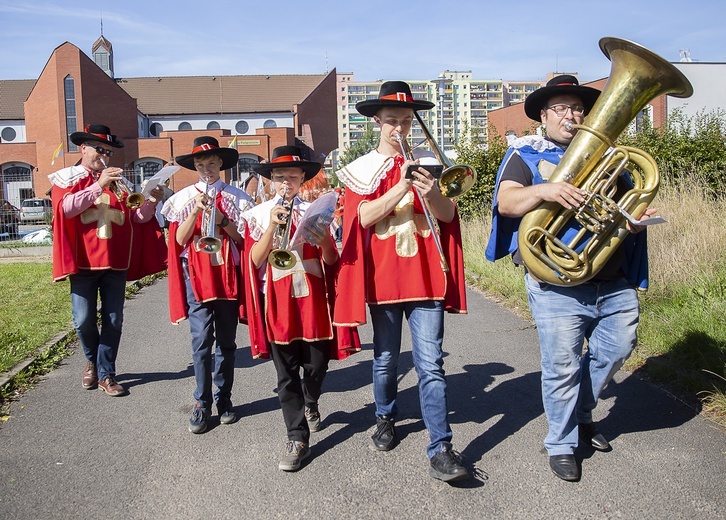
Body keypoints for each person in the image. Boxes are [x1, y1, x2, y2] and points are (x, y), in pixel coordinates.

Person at [485, 75, 657, 482]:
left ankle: (581, 415)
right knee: (562, 364)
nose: (570, 115)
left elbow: (623, 209)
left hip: (610, 277)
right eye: (560, 108)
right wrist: (547, 190)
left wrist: (633, 223)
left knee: (618, 349)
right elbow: (507, 202)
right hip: (556, 280)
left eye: (577, 108)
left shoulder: (610, 158)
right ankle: (561, 442)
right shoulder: (525, 154)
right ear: (543, 116)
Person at [334, 81, 469, 483]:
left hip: (426, 278)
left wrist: (432, 191)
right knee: (386, 359)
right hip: (384, 280)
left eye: (406, 121)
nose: (399, 128)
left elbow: (447, 216)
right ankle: (385, 417)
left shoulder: (429, 162)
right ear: (377, 121)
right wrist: (404, 185)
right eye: (392, 120)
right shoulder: (359, 171)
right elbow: (362, 217)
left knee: (431, 364)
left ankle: (441, 446)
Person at [241, 145, 360, 472]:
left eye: (292, 177)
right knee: (285, 373)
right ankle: (297, 436)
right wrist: (269, 227)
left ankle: (311, 399)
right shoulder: (258, 213)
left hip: (313, 297)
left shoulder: (317, 210)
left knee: (317, 364)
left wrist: (323, 240)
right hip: (277, 299)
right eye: (280, 178)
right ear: (271, 181)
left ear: (302, 179)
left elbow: (333, 260)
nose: (285, 183)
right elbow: (253, 261)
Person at [49, 123, 167, 397]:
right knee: (83, 320)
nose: (104, 155)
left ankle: (106, 373)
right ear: (83, 149)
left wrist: (150, 200)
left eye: (108, 152)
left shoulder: (120, 183)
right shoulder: (66, 178)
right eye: (99, 150)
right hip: (83, 261)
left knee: (113, 320)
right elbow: (65, 209)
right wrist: (97, 185)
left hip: (116, 262)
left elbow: (137, 218)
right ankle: (91, 358)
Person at [161, 136, 253, 434]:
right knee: (201, 342)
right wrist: (197, 211)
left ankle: (224, 398)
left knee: (226, 343)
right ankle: (202, 402)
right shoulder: (185, 198)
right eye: (200, 165)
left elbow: (244, 241)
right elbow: (178, 240)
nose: (206, 169)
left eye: (211, 163)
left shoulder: (239, 198)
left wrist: (224, 221)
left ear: (221, 164)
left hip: (226, 275)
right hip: (196, 277)